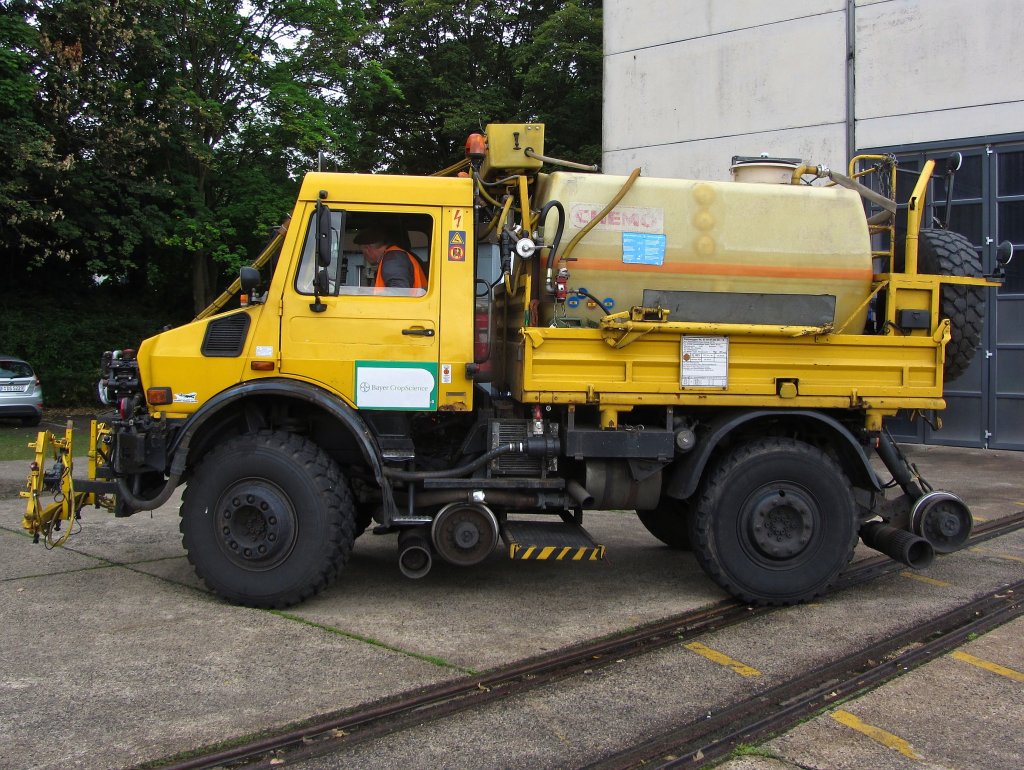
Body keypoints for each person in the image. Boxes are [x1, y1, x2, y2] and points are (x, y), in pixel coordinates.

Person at [353, 227, 427, 290]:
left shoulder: (393, 261)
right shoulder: (395, 257)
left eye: (363, 252)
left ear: (368, 249)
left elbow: (398, 296)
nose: (364, 256)